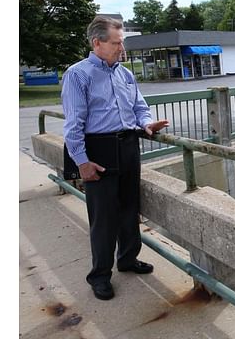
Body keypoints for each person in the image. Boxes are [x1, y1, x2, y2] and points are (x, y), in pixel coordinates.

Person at [62, 15, 170, 301]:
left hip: (129, 145)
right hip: (99, 150)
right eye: (116, 43)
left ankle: (127, 259)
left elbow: (139, 106)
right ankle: (99, 274)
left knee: (129, 209)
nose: (121, 49)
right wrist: (82, 162)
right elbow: (73, 124)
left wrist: (146, 123)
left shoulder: (125, 74)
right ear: (97, 42)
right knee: (103, 218)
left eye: (122, 43)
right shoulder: (78, 74)